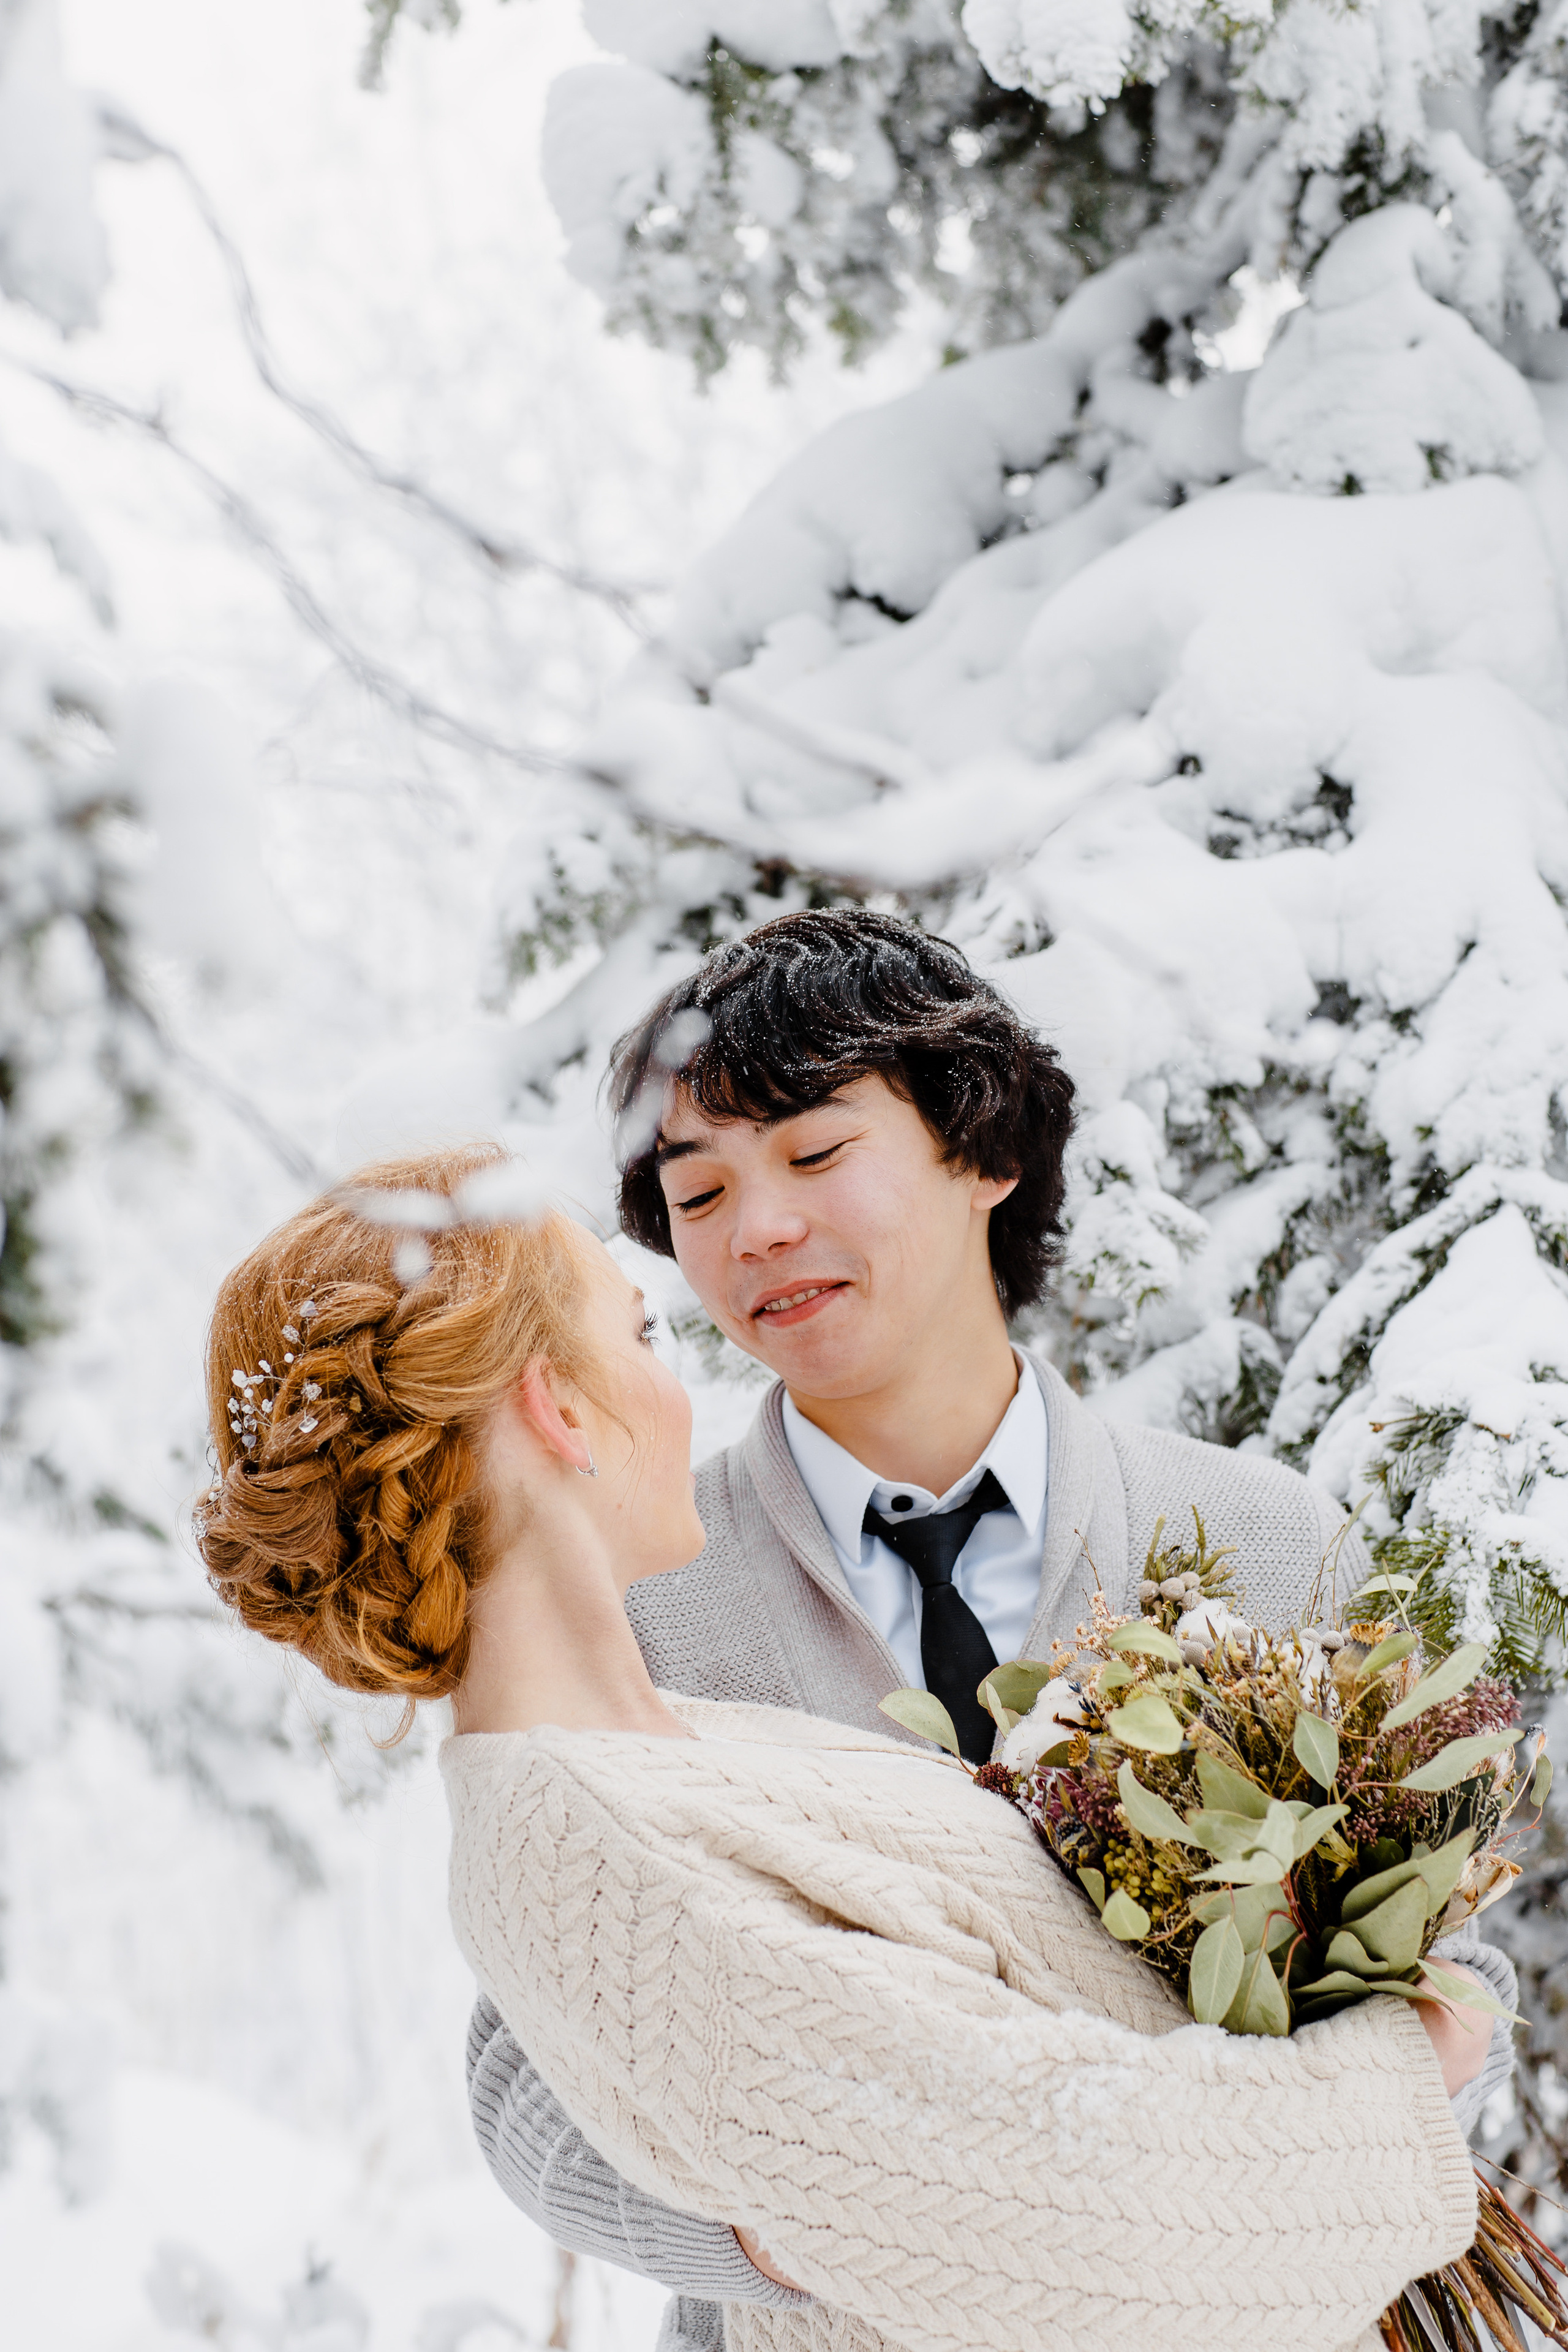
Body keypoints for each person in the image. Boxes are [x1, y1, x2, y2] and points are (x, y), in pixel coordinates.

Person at [196, 1149, 1499, 2352]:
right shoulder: (593, 1849)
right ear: (560, 1411)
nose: (679, 1375)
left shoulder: (675, 1751)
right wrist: (1405, 2072)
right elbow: (1103, 2220)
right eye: (639, 1335)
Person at [461, 910, 1516, 2346]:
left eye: (814, 1156)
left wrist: (1352, 2103)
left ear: (982, 1152)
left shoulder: (1263, 1537)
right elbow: (527, 2074)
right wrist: (795, 2237)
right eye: (697, 1194)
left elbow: (1451, 1946)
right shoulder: (635, 1599)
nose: (755, 1231)